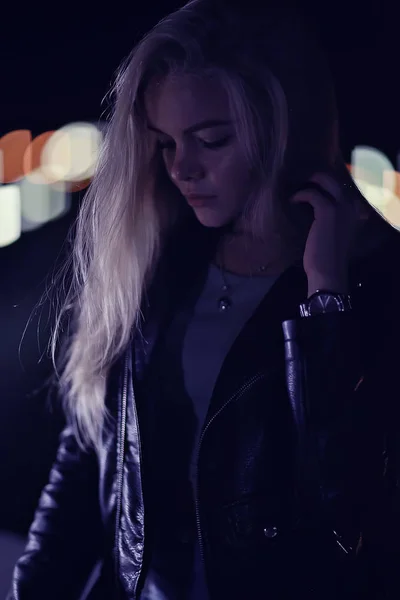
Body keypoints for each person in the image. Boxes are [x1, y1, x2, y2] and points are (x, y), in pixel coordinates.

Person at [8, 1, 400, 598]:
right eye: (165, 143)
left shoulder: (376, 280)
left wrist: (327, 300)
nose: (181, 169)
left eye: (210, 140)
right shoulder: (160, 262)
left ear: (282, 128)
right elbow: (94, 457)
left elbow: (352, 500)